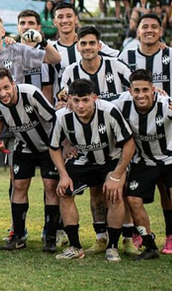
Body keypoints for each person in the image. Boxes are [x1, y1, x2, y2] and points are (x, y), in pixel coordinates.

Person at [0, 14, 60, 246]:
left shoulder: (15, 49)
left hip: (21, 128)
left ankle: (16, 229)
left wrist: (43, 41)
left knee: (19, 179)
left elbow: (54, 59)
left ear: (2, 31)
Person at [117, 13, 172, 253]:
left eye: (154, 27)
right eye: (144, 26)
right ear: (138, 31)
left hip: (166, 125)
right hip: (136, 131)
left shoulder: (171, 54)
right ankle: (138, 234)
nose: (149, 30)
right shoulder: (126, 56)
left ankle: (171, 236)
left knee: (169, 191)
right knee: (131, 191)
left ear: (160, 31)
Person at [114, 70, 172, 265]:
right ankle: (150, 246)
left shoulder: (166, 103)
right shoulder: (122, 102)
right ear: (130, 91)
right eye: (136, 90)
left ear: (153, 90)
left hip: (171, 158)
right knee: (133, 200)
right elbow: (97, 104)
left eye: (145, 90)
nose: (141, 95)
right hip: (144, 160)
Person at [50, 79, 135, 262]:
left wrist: (117, 175)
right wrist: (63, 175)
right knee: (64, 191)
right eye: (76, 101)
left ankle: (112, 247)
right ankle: (75, 247)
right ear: (69, 100)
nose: (80, 106)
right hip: (85, 158)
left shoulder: (109, 111)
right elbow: (54, 147)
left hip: (112, 159)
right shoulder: (61, 117)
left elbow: (129, 143)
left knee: (115, 193)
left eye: (85, 100)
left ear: (94, 98)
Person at [0, 67, 61, 252]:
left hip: (48, 147)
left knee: (50, 187)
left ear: (13, 83)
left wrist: (64, 147)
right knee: (18, 186)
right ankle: (18, 237)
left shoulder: (31, 94)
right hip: (24, 146)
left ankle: (50, 237)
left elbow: (54, 119)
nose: (2, 93)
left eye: (6, 87)